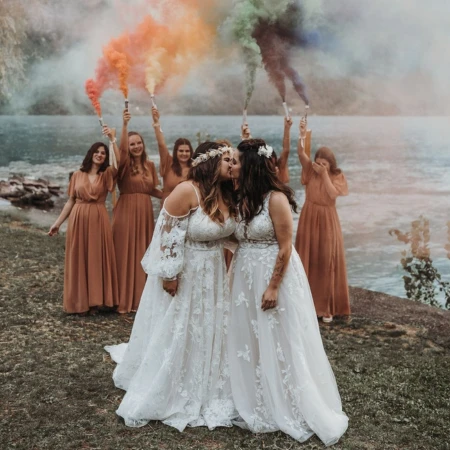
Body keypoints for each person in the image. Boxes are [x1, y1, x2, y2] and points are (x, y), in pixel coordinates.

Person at [105, 142, 238, 431]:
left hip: (214, 271)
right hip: (187, 271)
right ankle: (173, 382)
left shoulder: (227, 193)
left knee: (210, 324)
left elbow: (227, 233)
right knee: (182, 326)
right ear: (211, 162)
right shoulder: (186, 191)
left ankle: (209, 379)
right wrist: (169, 274)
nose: (232, 164)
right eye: (227, 159)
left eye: (233, 160)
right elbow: (167, 234)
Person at [228, 138, 348, 446]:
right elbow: (237, 237)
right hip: (245, 276)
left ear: (251, 166)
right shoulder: (241, 196)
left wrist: (273, 286)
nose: (233, 166)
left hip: (273, 275)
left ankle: (287, 402)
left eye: (237, 161)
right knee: (250, 338)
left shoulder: (276, 199)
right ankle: (256, 397)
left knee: (280, 337)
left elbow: (285, 247)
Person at [48, 127, 120, 314]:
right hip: (78, 219)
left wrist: (113, 140)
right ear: (90, 154)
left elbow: (119, 163)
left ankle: (96, 302)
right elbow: (70, 201)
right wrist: (57, 223)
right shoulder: (77, 175)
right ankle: (80, 302)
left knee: (96, 258)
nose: (99, 155)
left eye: (103, 153)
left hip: (98, 218)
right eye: (96, 152)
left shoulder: (106, 175)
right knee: (79, 258)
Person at [295, 118, 351, 322]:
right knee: (306, 259)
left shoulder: (336, 175)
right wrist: (303, 134)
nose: (319, 166)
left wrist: (325, 174)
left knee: (327, 261)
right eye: (318, 162)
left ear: (330, 164)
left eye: (324, 164)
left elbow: (332, 194)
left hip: (327, 219)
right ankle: (304, 305)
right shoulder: (309, 170)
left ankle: (326, 308)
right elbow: (301, 154)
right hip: (309, 216)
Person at [113, 110, 163, 314]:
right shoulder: (122, 165)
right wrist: (124, 125)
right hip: (125, 212)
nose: (135, 146)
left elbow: (152, 190)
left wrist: (173, 197)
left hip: (144, 214)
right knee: (125, 253)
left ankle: (141, 300)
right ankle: (122, 299)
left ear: (143, 144)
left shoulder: (150, 165)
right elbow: (122, 151)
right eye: (132, 144)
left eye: (138, 143)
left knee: (143, 253)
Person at [151, 106, 194, 201]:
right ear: (175, 152)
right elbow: (161, 145)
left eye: (187, 151)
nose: (184, 153)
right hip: (168, 210)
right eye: (181, 151)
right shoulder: (168, 163)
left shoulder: (194, 168)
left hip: (188, 210)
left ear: (191, 152)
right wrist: (157, 123)